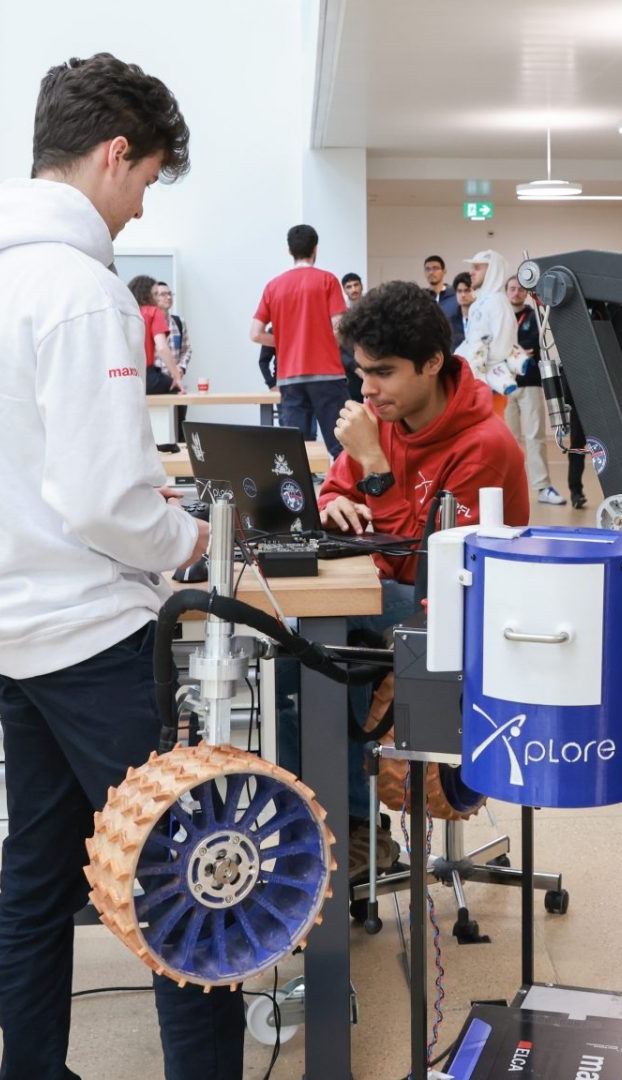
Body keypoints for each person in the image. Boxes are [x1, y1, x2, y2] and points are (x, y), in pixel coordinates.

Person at [0, 53, 233, 1080]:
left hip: (3, 625)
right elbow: (101, 501)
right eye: (144, 181)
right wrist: (185, 538)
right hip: (89, 636)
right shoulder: (81, 290)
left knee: (38, 875)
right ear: (112, 153)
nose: (138, 210)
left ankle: (34, 1071)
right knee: (185, 880)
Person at [283, 280, 527, 874]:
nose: (367, 389)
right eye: (362, 371)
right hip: (383, 592)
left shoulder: (484, 445)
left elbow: (434, 572)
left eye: (383, 373)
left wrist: (374, 469)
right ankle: (334, 821)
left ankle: (354, 828)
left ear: (433, 363)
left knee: (310, 636)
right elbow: (339, 490)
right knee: (295, 652)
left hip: (459, 611)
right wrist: (340, 497)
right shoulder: (383, 415)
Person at [251, 224, 348, 457]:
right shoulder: (328, 280)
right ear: (315, 249)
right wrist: (325, 341)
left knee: (294, 450)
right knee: (342, 446)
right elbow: (341, 326)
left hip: (290, 378)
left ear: (289, 251)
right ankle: (346, 492)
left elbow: (255, 333)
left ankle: (295, 494)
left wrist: (286, 341)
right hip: (328, 374)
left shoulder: (274, 286)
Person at [565, 301, 622, 510]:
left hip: (603, 390)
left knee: (606, 445)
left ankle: (614, 492)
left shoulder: (613, 311)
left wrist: (611, 383)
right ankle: (575, 491)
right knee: (577, 443)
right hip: (580, 389)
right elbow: (569, 351)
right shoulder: (576, 309)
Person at [503, 276, 564, 505]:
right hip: (505, 385)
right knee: (508, 439)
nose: (516, 292)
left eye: (520, 289)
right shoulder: (500, 317)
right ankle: (507, 487)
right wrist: (515, 352)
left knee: (535, 436)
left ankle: (542, 487)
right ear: (505, 291)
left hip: (530, 384)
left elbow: (534, 344)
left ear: (526, 293)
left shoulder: (534, 316)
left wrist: (513, 351)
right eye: (512, 288)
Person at [456, 250, 518, 403]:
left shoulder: (498, 302)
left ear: (492, 271)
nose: (471, 272)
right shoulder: (478, 304)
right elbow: (471, 345)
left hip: (491, 388)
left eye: (477, 268)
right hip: (475, 386)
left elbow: (501, 349)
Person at [129, 274, 182, 393]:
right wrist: (176, 376)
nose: (158, 298)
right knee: (177, 389)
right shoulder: (153, 312)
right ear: (146, 295)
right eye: (155, 294)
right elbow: (162, 348)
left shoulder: (126, 313)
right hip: (147, 375)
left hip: (126, 375)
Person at [425, 254, 463, 349]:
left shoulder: (456, 295)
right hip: (430, 350)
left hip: (454, 350)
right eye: (427, 269)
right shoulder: (422, 298)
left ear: (444, 271)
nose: (431, 272)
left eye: (435, 268)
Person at [152, 279, 189, 375]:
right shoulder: (146, 323)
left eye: (170, 294)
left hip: (174, 382)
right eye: (163, 294)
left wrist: (181, 368)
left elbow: (186, 350)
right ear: (153, 298)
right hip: (154, 383)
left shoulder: (179, 322)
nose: (168, 297)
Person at [339, 272, 365, 402]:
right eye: (349, 287)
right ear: (344, 290)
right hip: (351, 371)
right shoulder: (340, 316)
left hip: (372, 366)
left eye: (356, 285)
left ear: (362, 286)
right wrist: (356, 369)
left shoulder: (372, 310)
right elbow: (340, 348)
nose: (353, 289)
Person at [451, 271, 474, 344]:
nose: (463, 295)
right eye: (459, 291)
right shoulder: (450, 321)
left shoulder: (482, 316)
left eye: (467, 290)